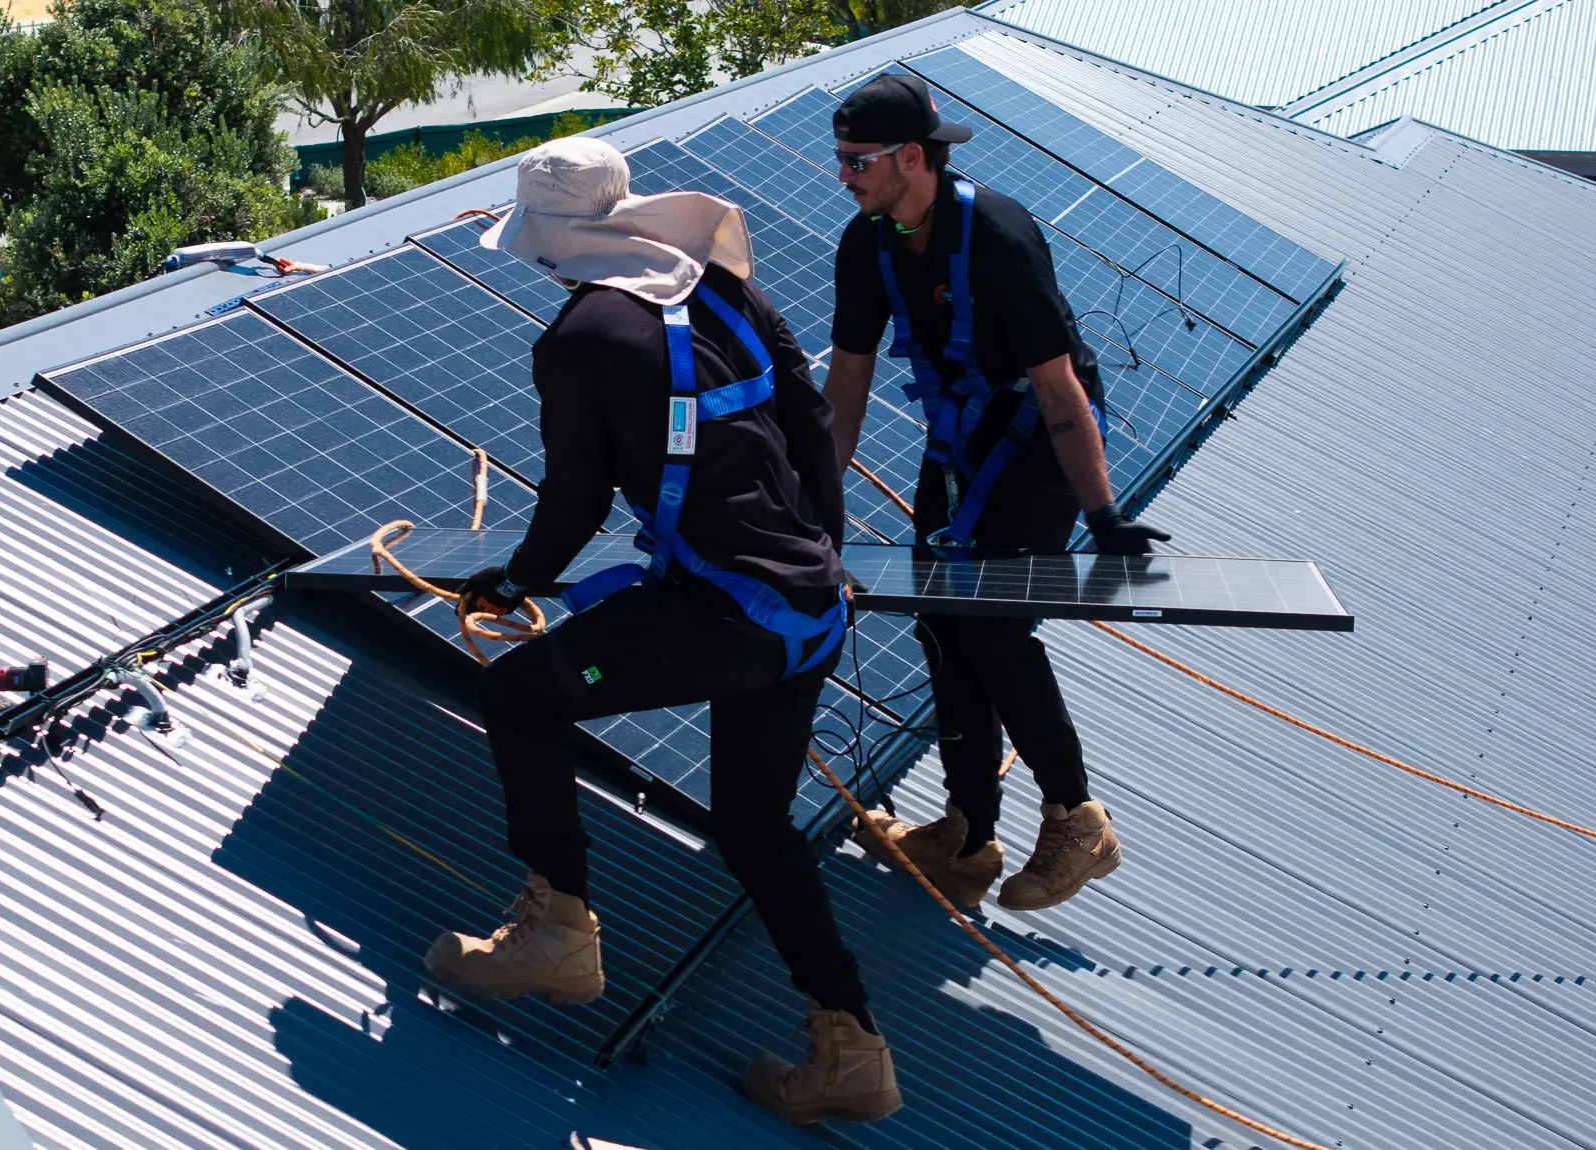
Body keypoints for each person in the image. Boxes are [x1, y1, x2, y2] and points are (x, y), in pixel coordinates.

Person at [424, 136, 902, 1126]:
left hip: (719, 612)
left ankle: (558, 929)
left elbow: (572, 498)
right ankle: (850, 1046)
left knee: (518, 695)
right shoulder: (720, 292)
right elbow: (810, 431)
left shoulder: (580, 340)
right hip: (808, 606)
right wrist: (821, 558)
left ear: (553, 241)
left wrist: (514, 582)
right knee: (752, 826)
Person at [823, 74, 1170, 913]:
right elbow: (846, 385)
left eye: (859, 161)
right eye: (839, 161)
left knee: (996, 629)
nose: (846, 176)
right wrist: (813, 505)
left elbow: (1059, 391)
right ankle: (969, 834)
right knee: (941, 624)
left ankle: (1078, 819)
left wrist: (1101, 514)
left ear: (914, 157)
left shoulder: (1000, 238)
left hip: (1037, 448)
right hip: (960, 446)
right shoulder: (866, 245)